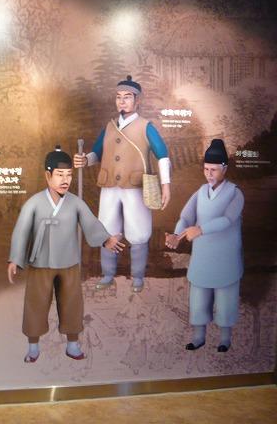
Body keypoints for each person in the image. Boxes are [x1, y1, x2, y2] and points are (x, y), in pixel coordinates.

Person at [8, 146, 124, 363]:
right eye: (60, 174)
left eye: (69, 175)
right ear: (48, 175)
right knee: (36, 303)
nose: (65, 180)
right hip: (40, 262)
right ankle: (33, 346)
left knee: (71, 302)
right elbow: (22, 230)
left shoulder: (75, 202)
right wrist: (15, 258)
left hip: (69, 262)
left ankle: (72, 344)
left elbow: (90, 223)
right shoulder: (34, 203)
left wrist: (106, 239)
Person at [74, 75, 171, 293]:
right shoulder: (109, 127)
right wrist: (85, 160)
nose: (122, 101)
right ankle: (108, 275)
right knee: (107, 230)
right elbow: (97, 152)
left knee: (138, 232)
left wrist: (166, 185)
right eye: (118, 97)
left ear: (137, 100)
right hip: (109, 186)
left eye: (127, 97)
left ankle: (137, 277)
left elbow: (162, 155)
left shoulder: (146, 126)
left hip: (135, 187)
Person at [165, 139, 243, 353]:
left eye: (214, 170)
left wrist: (200, 230)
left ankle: (225, 338)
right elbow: (186, 216)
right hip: (202, 257)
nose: (209, 174)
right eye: (206, 169)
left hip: (225, 256)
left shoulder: (235, 193)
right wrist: (177, 234)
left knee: (225, 300)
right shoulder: (200, 192)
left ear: (224, 168)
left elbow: (227, 219)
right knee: (199, 299)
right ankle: (198, 337)